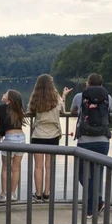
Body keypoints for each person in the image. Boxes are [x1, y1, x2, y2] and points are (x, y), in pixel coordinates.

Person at [70, 73, 112, 218]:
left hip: (84, 142)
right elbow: (108, 113)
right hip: (103, 141)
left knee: (82, 174)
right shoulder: (108, 97)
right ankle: (98, 202)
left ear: (87, 83)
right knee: (96, 175)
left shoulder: (79, 96)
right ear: (101, 84)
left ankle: (91, 209)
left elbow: (73, 111)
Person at [28, 74, 72, 202]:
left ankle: (38, 194)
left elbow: (30, 110)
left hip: (38, 135)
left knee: (38, 166)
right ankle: (47, 194)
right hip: (53, 135)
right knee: (49, 166)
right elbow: (63, 110)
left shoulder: (36, 99)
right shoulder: (56, 99)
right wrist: (64, 96)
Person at [0, 89, 27, 203]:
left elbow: (0, 127)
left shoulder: (0, 109)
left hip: (9, 138)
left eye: (5, 94)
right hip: (21, 138)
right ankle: (13, 194)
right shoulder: (19, 110)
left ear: (9, 100)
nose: (3, 95)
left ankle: (3, 195)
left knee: (5, 168)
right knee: (16, 168)